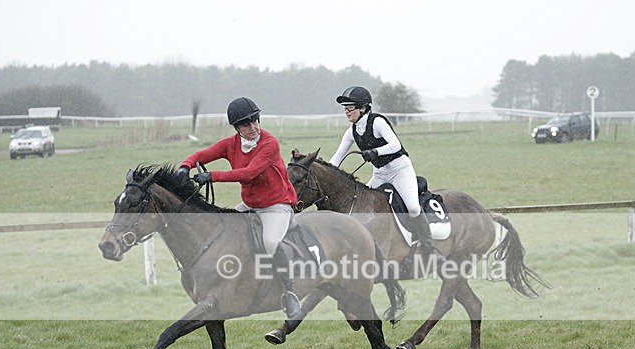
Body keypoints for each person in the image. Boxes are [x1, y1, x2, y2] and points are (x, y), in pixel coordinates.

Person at [173, 97, 303, 321]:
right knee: (223, 232)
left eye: (255, 121)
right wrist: (185, 165)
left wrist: (212, 176)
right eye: (246, 125)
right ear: (237, 128)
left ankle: (290, 294)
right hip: (250, 205)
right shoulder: (230, 144)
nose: (253, 128)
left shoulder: (270, 143)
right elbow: (202, 155)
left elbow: (249, 173)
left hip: (276, 206)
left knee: (271, 242)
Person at [328, 86, 437, 260]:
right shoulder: (351, 132)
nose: (346, 112)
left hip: (400, 169)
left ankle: (429, 248)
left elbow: (395, 145)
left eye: (350, 107)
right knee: (360, 206)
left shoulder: (377, 122)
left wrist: (375, 152)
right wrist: (321, 170)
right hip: (380, 173)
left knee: (413, 207)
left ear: (363, 108)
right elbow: (336, 158)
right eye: (345, 108)